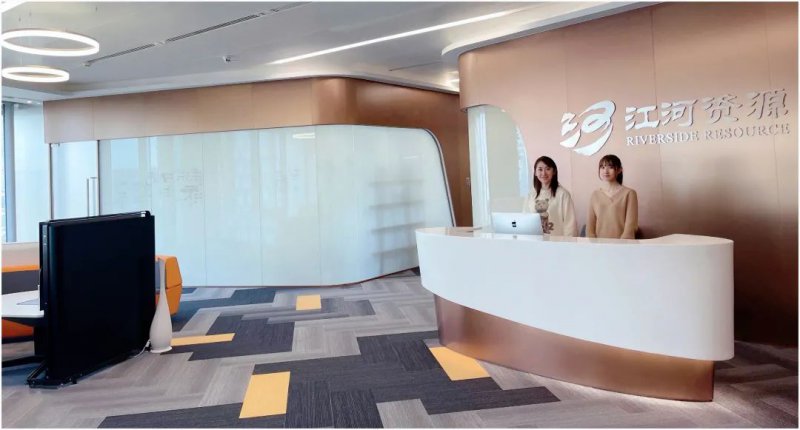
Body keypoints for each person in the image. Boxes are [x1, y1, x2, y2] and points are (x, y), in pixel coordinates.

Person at [586, 154, 638, 239]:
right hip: (598, 245)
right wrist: (593, 244)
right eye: (602, 167)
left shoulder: (629, 193)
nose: (605, 171)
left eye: (610, 167)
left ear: (619, 170)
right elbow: (590, 227)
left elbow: (630, 227)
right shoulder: (595, 195)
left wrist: (621, 244)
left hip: (622, 244)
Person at [523, 156, 577, 236]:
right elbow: (525, 220)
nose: (543, 173)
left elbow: (570, 225)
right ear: (535, 173)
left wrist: (568, 242)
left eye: (548, 169)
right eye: (540, 169)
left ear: (554, 171)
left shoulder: (563, 194)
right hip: (535, 241)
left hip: (556, 242)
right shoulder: (531, 194)